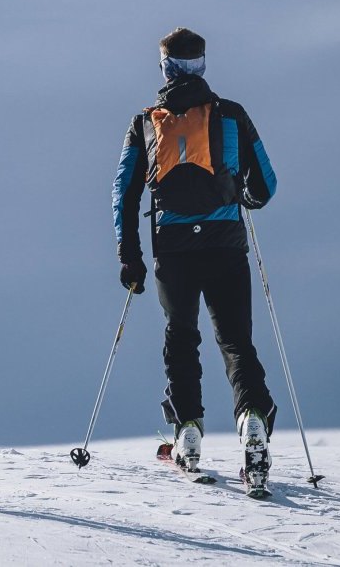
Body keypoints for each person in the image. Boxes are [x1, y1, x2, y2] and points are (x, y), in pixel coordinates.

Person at [111, 27, 278, 486]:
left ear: (165, 67)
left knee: (181, 337)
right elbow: (266, 184)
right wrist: (244, 196)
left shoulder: (145, 122)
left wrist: (130, 257)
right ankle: (252, 422)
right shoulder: (232, 116)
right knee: (236, 343)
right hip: (225, 242)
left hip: (174, 249)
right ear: (202, 64)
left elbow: (124, 192)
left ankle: (187, 433)